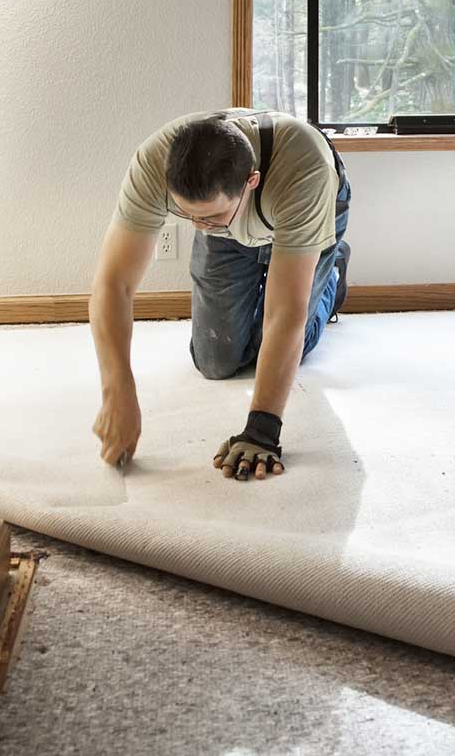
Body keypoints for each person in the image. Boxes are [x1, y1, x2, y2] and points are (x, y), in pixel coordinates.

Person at [88, 109, 351, 481]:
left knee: (290, 340)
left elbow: (285, 313)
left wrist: (261, 430)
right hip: (231, 225)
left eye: (207, 217)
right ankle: (249, 254)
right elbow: (112, 284)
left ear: (251, 181)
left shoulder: (305, 171)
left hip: (305, 207)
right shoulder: (153, 164)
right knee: (214, 361)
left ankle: (330, 276)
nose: (198, 226)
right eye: (187, 215)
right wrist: (118, 391)